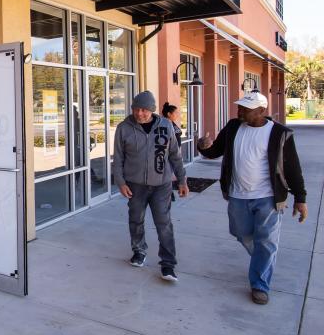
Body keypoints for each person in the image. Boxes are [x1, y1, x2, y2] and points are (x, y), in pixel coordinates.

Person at [197, 91, 308, 305]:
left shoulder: (279, 133)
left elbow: (293, 168)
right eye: (239, 107)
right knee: (241, 233)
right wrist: (203, 147)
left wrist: (300, 198)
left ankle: (259, 284)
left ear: (261, 111)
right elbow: (214, 152)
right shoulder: (233, 127)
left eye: (245, 109)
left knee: (266, 240)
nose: (240, 111)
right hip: (238, 195)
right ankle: (262, 260)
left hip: (268, 197)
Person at [112, 91, 189, 282]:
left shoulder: (166, 125)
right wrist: (121, 182)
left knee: (164, 224)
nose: (139, 113)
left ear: (152, 110)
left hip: (161, 185)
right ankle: (139, 252)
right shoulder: (124, 128)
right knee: (136, 220)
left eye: (144, 110)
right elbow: (118, 158)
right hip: (135, 185)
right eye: (136, 109)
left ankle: (168, 264)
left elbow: (175, 155)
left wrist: (182, 180)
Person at [162, 102, 183, 200]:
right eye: (175, 113)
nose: (177, 115)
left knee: (170, 174)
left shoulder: (172, 123)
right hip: (169, 154)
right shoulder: (164, 124)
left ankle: (169, 192)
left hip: (175, 153)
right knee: (168, 174)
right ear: (169, 114)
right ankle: (168, 193)